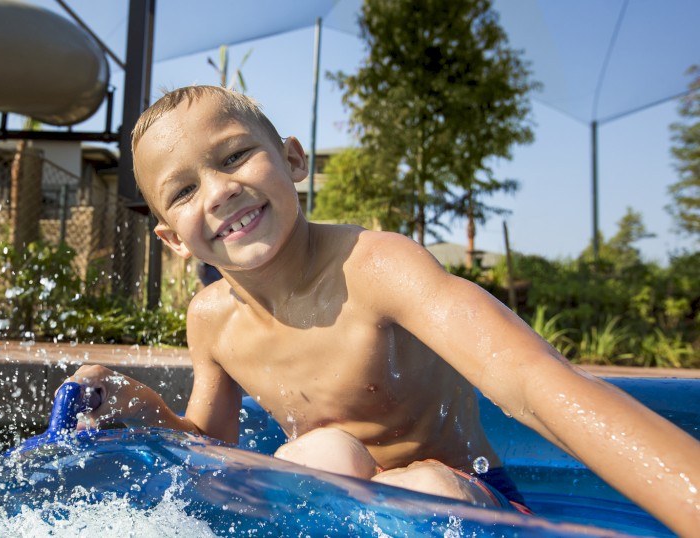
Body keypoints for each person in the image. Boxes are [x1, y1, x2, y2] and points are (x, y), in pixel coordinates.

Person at [64, 85, 700, 534]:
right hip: (344, 509)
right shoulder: (210, 320)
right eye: (183, 190)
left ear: (291, 159)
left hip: (469, 505)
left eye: (234, 156)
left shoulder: (378, 269)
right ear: (173, 239)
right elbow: (211, 448)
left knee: (416, 486)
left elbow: (534, 383)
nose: (221, 190)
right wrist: (135, 405)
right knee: (319, 457)